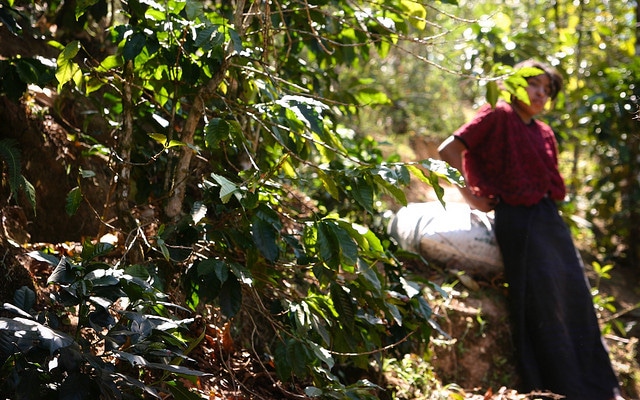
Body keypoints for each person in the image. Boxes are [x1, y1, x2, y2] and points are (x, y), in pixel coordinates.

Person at [437, 59, 623, 400]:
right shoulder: (498, 115)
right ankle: (560, 388)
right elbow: (448, 150)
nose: (540, 93)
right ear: (515, 83)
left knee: (575, 297)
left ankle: (601, 388)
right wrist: (472, 198)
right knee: (540, 302)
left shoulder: (544, 132)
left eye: (546, 89)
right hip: (518, 222)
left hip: (550, 221)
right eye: (534, 83)